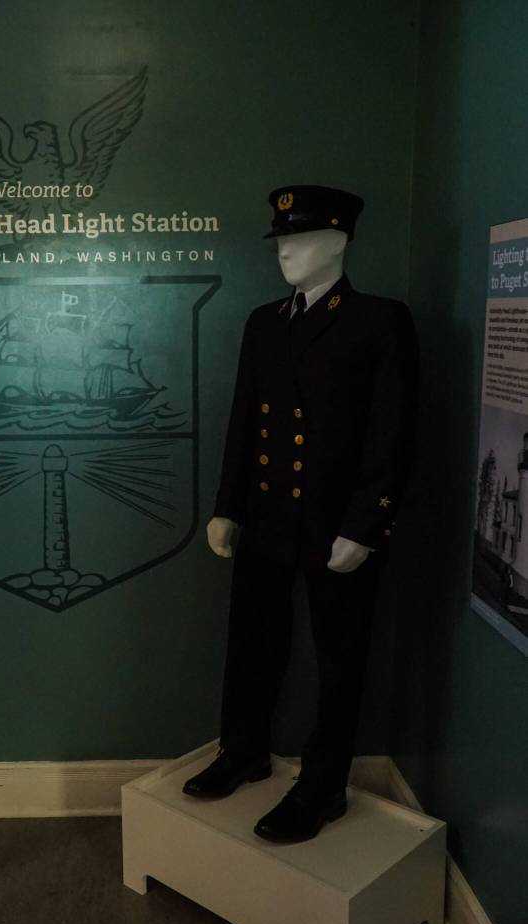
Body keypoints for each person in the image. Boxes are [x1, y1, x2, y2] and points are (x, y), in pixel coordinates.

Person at [182, 184, 420, 843]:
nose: (286, 251)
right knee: (252, 640)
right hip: (265, 513)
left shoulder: (378, 321)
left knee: (339, 658)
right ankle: (243, 750)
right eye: (281, 240)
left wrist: (366, 525)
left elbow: (393, 432)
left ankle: (322, 786)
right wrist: (227, 507)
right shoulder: (263, 322)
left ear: (339, 241)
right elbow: (244, 421)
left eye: (302, 238)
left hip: (335, 521)